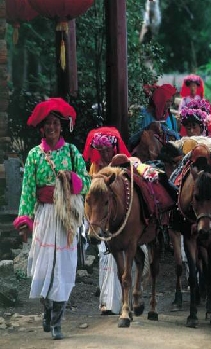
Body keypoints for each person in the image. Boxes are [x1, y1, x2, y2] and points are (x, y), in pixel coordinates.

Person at [12, 98, 91, 340]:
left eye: (56, 123)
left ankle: (57, 322)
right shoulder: (35, 155)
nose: (52, 127)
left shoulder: (71, 152)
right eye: (48, 124)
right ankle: (46, 309)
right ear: (42, 128)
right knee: (43, 267)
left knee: (64, 269)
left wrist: (72, 179)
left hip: (65, 218)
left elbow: (86, 182)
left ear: (61, 125)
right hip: (45, 216)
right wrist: (25, 219)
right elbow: (27, 189)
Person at [83, 127, 131, 315]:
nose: (103, 153)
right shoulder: (94, 170)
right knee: (105, 258)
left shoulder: (121, 167)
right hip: (98, 220)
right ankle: (106, 301)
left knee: (118, 258)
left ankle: (119, 302)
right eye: (100, 150)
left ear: (113, 149)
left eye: (106, 149)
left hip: (117, 221)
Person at [129, 83, 179, 150]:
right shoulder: (145, 116)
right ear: (159, 101)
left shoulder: (171, 118)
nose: (169, 104)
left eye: (170, 101)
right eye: (167, 101)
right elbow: (137, 138)